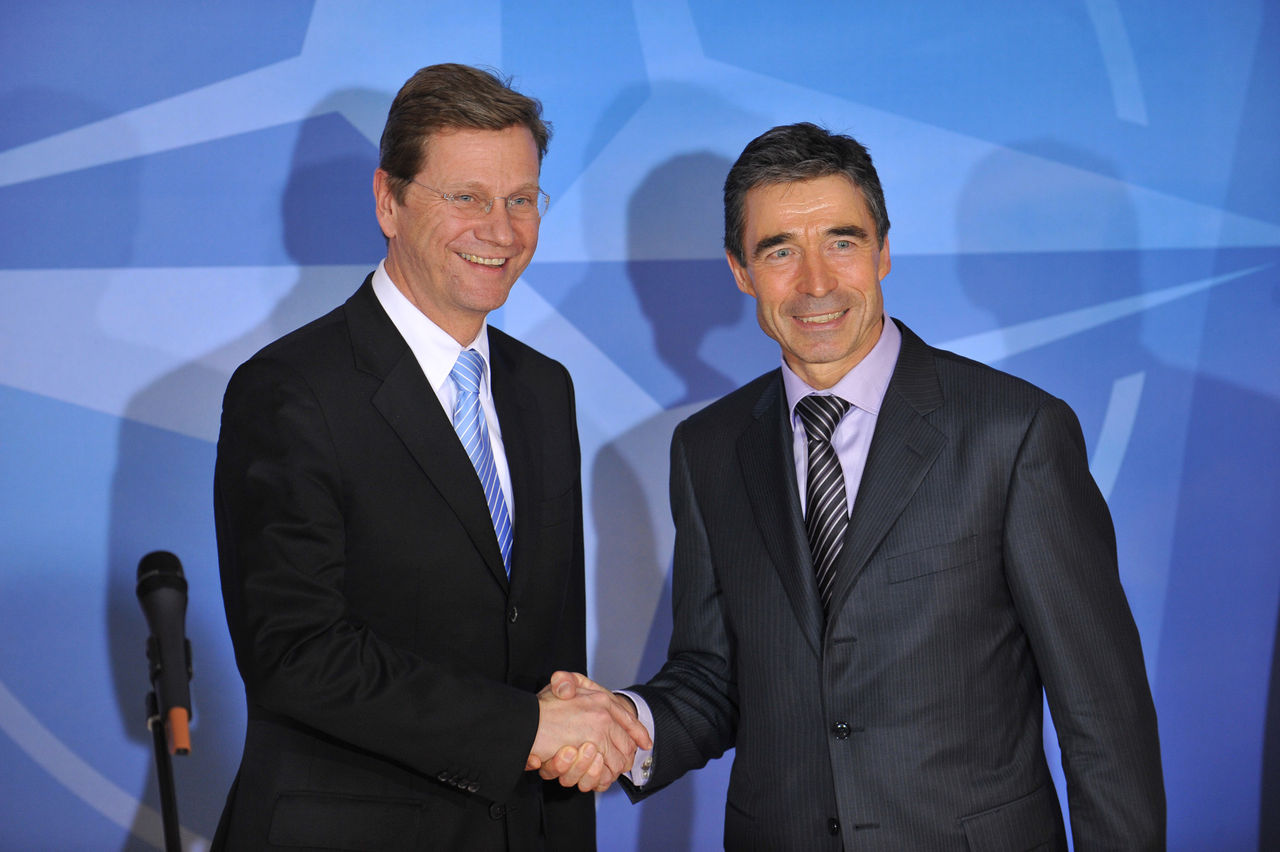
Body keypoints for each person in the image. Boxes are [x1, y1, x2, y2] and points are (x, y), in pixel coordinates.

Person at [540, 122, 1165, 850]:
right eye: (780, 251)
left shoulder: (1014, 432)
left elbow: (1103, 717)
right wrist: (623, 723)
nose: (816, 284)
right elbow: (715, 679)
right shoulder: (708, 449)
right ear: (740, 270)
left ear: (883, 250)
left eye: (841, 242)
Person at [212, 63, 647, 852]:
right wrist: (529, 727)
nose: (501, 229)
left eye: (521, 200)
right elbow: (297, 654)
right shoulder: (289, 391)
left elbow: (546, 646)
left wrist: (570, 743)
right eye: (467, 198)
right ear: (389, 201)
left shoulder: (543, 390)